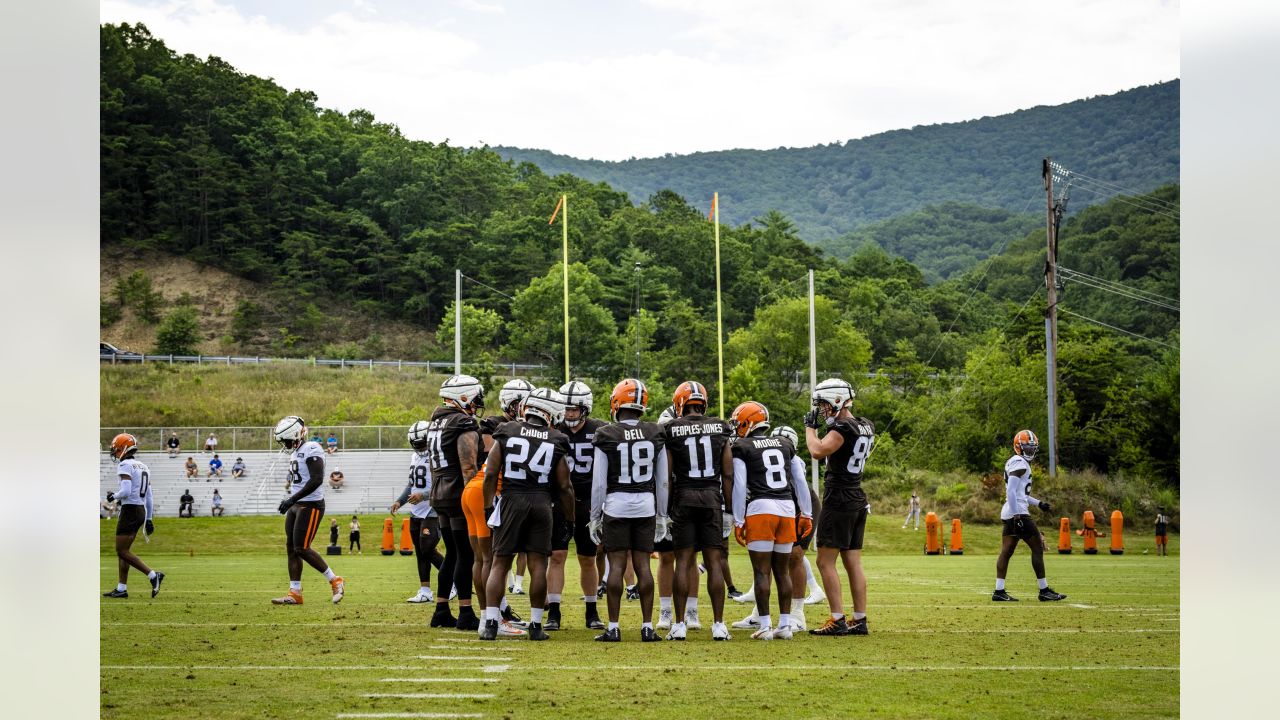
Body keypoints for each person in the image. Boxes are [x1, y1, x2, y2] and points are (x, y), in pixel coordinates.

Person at [480, 388, 576, 641]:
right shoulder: (556, 437)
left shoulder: (508, 430)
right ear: (553, 412)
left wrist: (489, 506)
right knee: (538, 565)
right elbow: (565, 486)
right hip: (541, 503)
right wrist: (570, 518)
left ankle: (491, 622)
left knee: (500, 562)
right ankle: (535, 625)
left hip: (512, 499)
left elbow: (490, 473)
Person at [590, 379, 669, 642]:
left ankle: (613, 627)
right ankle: (647, 627)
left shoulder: (606, 433)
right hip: (645, 502)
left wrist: (594, 516)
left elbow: (599, 482)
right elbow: (663, 480)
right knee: (643, 566)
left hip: (616, 503)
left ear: (616, 403)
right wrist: (662, 514)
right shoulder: (655, 432)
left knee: (616, 566)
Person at [728, 402, 812, 640]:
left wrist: (738, 518)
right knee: (782, 571)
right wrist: (806, 512)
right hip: (786, 508)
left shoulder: (742, 446)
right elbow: (800, 480)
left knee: (761, 572)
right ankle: (784, 625)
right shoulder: (785, 443)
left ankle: (765, 626)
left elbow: (740, 484)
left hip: (760, 508)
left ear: (748, 422)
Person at [658, 381, 733, 641]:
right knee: (714, 562)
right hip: (712, 498)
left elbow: (666, 476)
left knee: (683, 561)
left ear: (680, 403)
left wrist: (664, 510)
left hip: (684, 498)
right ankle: (719, 624)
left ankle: (678, 625)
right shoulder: (721, 427)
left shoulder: (670, 429)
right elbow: (728, 474)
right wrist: (729, 511)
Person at [805, 378, 875, 636]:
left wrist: (809, 430)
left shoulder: (843, 427)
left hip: (840, 498)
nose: (821, 410)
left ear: (836, 399)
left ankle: (837, 619)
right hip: (857, 495)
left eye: (823, 403)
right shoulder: (866, 425)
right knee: (852, 561)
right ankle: (860, 618)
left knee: (825, 561)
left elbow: (817, 450)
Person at [470, 379, 534, 632]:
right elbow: (494, 462)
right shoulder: (496, 426)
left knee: (485, 559)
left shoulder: (517, 427)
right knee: (493, 560)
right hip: (490, 491)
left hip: (478, 490)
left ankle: (494, 614)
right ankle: (492, 618)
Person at [426, 375, 485, 630]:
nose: (477, 403)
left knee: (452, 552)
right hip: (458, 493)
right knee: (466, 553)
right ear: (464, 396)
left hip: (439, 492)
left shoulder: (435, 421)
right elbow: (469, 466)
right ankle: (465, 611)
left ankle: (441, 609)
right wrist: (476, 496)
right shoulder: (462, 422)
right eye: (475, 397)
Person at [269, 415, 345, 605]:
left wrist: (292, 499)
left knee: (301, 547)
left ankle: (335, 580)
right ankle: (295, 592)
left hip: (311, 504)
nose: (284, 444)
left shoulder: (312, 448)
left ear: (295, 435)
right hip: (296, 504)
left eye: (286, 439)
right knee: (291, 548)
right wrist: (292, 500)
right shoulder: (296, 451)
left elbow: (316, 479)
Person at [992, 429, 1067, 602]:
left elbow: (1019, 493)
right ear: (1019, 446)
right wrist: (1018, 515)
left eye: (1033, 447)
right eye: (1027, 447)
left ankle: (999, 591)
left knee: (1007, 551)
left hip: (1011, 511)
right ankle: (1044, 590)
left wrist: (1038, 503)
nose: (1031, 450)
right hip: (1017, 512)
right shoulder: (1019, 461)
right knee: (1037, 547)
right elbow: (1011, 490)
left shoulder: (1015, 461)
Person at [556, 380, 607, 630]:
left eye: (574, 409)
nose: (569, 414)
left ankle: (592, 611)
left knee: (588, 558)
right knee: (556, 556)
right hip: (559, 501)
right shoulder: (554, 429)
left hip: (587, 502)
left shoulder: (600, 430)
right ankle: (553, 613)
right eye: (566, 409)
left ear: (584, 408)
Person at [103, 433, 164, 599]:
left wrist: (112, 496)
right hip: (140, 511)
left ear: (123, 448)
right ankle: (121, 588)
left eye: (116, 450)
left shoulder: (125, 465)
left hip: (130, 510)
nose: (115, 454)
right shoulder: (143, 466)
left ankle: (153, 575)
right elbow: (149, 496)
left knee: (121, 550)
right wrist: (149, 518)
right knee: (124, 551)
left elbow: (126, 491)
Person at [392, 420, 446, 605]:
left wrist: (422, 496)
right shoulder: (414, 457)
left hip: (432, 508)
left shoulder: (438, 456)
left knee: (427, 548)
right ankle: (425, 591)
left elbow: (444, 486)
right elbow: (412, 484)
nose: (420, 448)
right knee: (421, 552)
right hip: (416, 511)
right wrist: (400, 501)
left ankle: (452, 580)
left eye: (422, 443)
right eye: (417, 445)